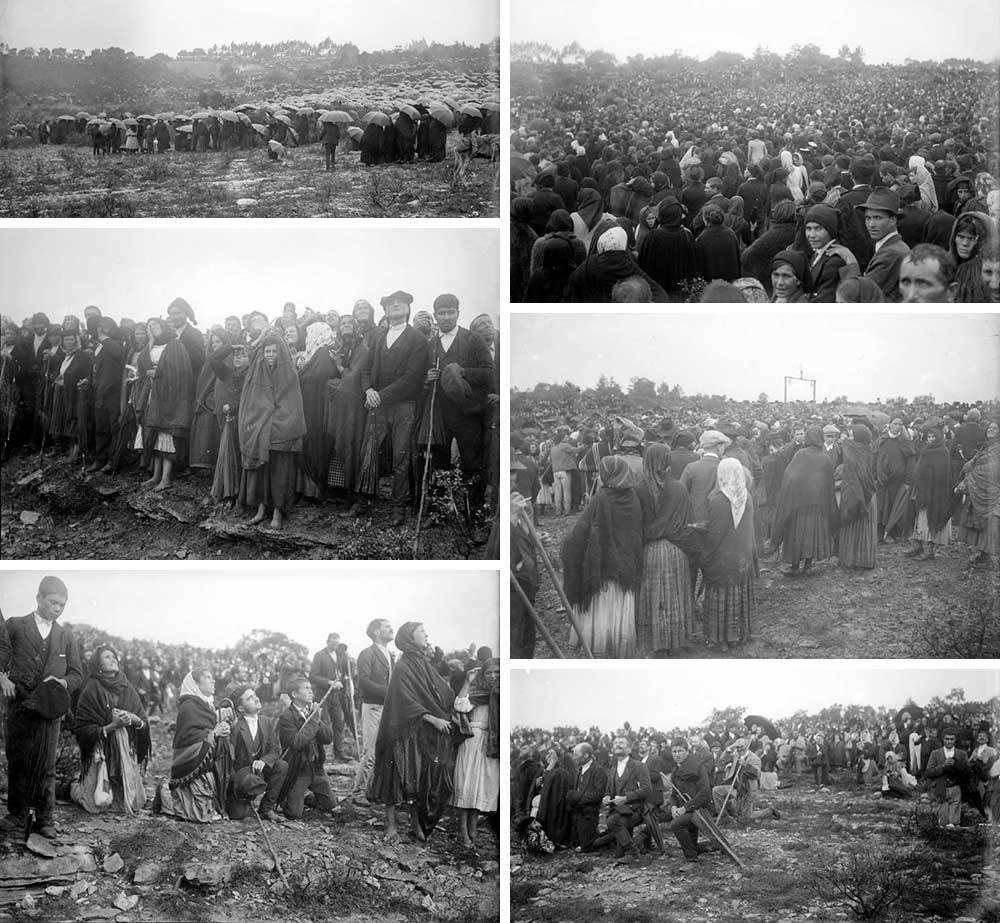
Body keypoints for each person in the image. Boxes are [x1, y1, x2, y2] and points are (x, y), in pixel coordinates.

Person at [0, 576, 84, 838]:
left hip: (50, 707)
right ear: (39, 598)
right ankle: (17, 815)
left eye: (62, 604)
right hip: (19, 704)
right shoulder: (14, 625)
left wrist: (63, 681)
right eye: (53, 602)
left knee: (46, 764)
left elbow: (77, 673)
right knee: (18, 759)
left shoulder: (66, 636)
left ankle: (45, 818)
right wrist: (1, 676)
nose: (57, 609)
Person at [367, 622, 457, 844]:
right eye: (422, 632)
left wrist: (446, 711)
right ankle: (391, 826)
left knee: (417, 777)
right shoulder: (403, 666)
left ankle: (416, 824)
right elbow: (405, 700)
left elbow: (438, 691)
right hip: (400, 731)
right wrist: (432, 717)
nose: (427, 634)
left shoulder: (421, 662)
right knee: (395, 775)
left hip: (418, 731)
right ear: (409, 637)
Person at [351, 291, 429, 525]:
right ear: (384, 311)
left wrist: (379, 396)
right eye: (389, 304)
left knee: (400, 458)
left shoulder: (417, 339)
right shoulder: (377, 336)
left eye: (400, 303)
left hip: (404, 406)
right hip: (376, 404)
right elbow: (365, 368)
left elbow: (412, 378)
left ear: (408, 309)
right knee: (369, 452)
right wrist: (368, 390)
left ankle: (398, 508)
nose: (395, 306)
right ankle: (363, 501)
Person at [561, 456, 644, 657]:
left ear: (608, 475)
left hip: (603, 569)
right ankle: (617, 643)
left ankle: (601, 645)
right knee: (618, 606)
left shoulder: (602, 497)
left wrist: (567, 545)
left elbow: (581, 532)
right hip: (626, 566)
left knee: (602, 609)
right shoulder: (632, 497)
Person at [425, 294, 494, 517]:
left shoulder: (473, 339)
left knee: (471, 464)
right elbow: (420, 379)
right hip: (440, 414)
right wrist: (428, 377)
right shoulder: (430, 345)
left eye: (450, 312)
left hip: (468, 415)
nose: (446, 317)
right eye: (441, 313)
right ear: (435, 316)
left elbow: (490, 374)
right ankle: (441, 513)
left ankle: (474, 515)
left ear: (458, 313)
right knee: (439, 462)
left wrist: (463, 372)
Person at [634, 443, 698, 655]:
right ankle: (675, 640)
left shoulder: (639, 489)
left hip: (650, 552)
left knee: (654, 598)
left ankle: (656, 642)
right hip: (675, 551)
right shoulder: (679, 488)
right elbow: (689, 523)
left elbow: (636, 526)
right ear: (667, 461)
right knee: (675, 597)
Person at [71, 645, 150, 815]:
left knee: (135, 803)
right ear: (97, 665)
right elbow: (82, 729)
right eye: (107, 657)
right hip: (101, 754)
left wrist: (133, 719)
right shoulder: (91, 689)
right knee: (94, 805)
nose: (113, 659)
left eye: (114, 656)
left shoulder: (127, 687)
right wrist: (112, 726)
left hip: (125, 753)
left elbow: (143, 722)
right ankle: (75, 787)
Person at [238, 334, 306, 530]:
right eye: (267, 351)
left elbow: (291, 405)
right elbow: (251, 402)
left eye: (274, 351)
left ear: (281, 353)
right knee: (262, 471)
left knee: (280, 472)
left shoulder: (289, 373)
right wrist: (260, 421)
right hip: (261, 428)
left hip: (281, 428)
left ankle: (277, 512)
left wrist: (273, 422)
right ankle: (261, 509)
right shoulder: (256, 372)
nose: (270, 355)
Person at [155, 669, 230, 823]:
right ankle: (166, 794)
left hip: (204, 766)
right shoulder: (189, 705)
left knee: (208, 806)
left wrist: (222, 726)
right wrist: (214, 733)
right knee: (198, 814)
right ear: (196, 684)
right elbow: (190, 737)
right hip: (190, 763)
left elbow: (205, 725)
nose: (213, 680)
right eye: (208, 677)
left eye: (212, 677)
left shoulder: (204, 704)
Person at [701, 458, 757, 650]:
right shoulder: (746, 497)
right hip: (741, 556)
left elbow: (715, 535)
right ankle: (737, 635)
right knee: (739, 594)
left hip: (722, 559)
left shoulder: (717, 499)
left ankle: (720, 639)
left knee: (722, 596)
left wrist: (705, 556)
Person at [772, 426, 838, 576]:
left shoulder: (800, 455)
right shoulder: (825, 459)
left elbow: (790, 477)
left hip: (799, 505)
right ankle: (808, 566)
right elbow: (828, 484)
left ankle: (795, 566)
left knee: (797, 535)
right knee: (812, 536)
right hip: (818, 505)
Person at [137, 317, 193, 492]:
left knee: (166, 434)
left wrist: (158, 372)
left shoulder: (175, 345)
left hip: (170, 396)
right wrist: (151, 341)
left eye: (155, 325)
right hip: (153, 394)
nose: (152, 328)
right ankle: (156, 475)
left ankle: (166, 478)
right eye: (149, 326)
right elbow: (142, 364)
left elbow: (181, 371)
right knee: (154, 432)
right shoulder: (152, 346)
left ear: (163, 327)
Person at [451, 658, 500, 850]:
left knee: (481, 787)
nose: (493, 676)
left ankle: (473, 831)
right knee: (468, 785)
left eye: (497, 672)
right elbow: (459, 705)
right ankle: (463, 832)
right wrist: (468, 682)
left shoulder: (502, 694)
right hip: (474, 739)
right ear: (483, 674)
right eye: (489, 672)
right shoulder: (478, 692)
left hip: (492, 743)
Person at [224, 685, 287, 820]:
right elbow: (230, 759)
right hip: (242, 778)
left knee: (282, 765)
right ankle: (243, 801)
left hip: (261, 772)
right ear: (241, 708)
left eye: (255, 695)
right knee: (238, 815)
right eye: (250, 698)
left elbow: (275, 750)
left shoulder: (266, 722)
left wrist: (263, 761)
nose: (256, 699)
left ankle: (266, 808)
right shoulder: (236, 726)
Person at [276, 677, 335, 819]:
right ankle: (288, 799)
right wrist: (314, 719)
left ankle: (307, 798)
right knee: (294, 813)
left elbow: (328, 738)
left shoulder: (315, 711)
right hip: (299, 769)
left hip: (316, 767)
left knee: (330, 804)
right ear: (294, 694)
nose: (311, 692)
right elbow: (297, 742)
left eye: (311, 688)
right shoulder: (286, 717)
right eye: (306, 688)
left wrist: (317, 718)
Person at [351, 619, 395, 803]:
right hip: (374, 706)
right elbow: (364, 682)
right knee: (370, 750)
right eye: (387, 627)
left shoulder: (390, 655)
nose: (391, 629)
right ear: (377, 633)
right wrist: (391, 693)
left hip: (387, 707)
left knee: (384, 750)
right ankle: (358, 792)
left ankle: (373, 790)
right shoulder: (367, 654)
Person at [589, 737, 651, 861]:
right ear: (612, 749)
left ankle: (633, 852)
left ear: (629, 749)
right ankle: (632, 846)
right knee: (618, 854)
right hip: (618, 811)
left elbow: (647, 789)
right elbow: (607, 791)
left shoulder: (638, 765)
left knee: (612, 821)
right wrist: (606, 797)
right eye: (616, 743)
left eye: (621, 743)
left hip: (635, 810)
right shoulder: (612, 769)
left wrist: (627, 798)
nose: (618, 745)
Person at [296, 321, 337, 500]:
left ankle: (315, 491)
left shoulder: (322, 355)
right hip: (313, 407)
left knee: (314, 447)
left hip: (316, 409)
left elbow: (313, 379)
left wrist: (299, 374)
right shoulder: (318, 355)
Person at [830, 424, 878, 569]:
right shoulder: (867, 450)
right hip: (863, 492)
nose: (848, 438)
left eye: (851, 435)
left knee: (853, 525)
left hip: (855, 492)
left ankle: (852, 559)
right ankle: (862, 559)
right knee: (861, 527)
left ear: (858, 437)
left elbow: (859, 472)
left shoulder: (853, 450)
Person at [905, 426, 954, 561]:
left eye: (933, 437)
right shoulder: (926, 449)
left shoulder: (943, 452)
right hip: (920, 489)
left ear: (938, 437)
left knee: (929, 518)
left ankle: (929, 550)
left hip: (934, 492)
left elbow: (942, 474)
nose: (930, 439)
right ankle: (918, 545)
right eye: (929, 437)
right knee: (918, 517)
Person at [955, 421, 1000, 565]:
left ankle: (986, 553)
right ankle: (981, 552)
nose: (991, 430)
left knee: (990, 521)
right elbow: (974, 463)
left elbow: (991, 470)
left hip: (990, 490)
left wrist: (972, 473)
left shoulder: (997, 449)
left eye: (995, 428)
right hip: (978, 489)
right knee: (979, 521)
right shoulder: (984, 446)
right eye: (990, 427)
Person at [857, 189, 910, 301]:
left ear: (892, 220)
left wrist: (849, 261)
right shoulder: (893, 246)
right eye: (868, 218)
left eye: (877, 218)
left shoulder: (891, 254)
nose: (871, 224)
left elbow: (862, 294)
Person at [667, 738, 712, 862]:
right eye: (674, 751)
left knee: (676, 824)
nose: (677, 754)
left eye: (680, 751)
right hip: (686, 810)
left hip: (700, 809)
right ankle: (698, 848)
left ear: (687, 751)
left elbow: (704, 792)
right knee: (683, 824)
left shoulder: (698, 767)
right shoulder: (675, 771)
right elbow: (673, 794)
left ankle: (691, 858)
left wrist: (685, 808)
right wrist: (674, 807)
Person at [308, 634, 351, 764]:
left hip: (336, 696)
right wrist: (329, 682)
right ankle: (322, 755)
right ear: (327, 642)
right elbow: (313, 676)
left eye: (337, 643)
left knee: (339, 723)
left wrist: (346, 681)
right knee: (324, 725)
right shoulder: (320, 655)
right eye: (333, 642)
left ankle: (339, 753)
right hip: (323, 695)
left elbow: (345, 673)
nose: (335, 645)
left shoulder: (342, 656)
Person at [803, 204, 860, 301]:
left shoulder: (834, 260)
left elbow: (824, 300)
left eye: (818, 228)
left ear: (830, 230)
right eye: (808, 228)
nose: (811, 235)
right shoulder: (819, 252)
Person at [565, 742, 607, 851]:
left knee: (586, 847)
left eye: (575, 754)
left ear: (586, 755)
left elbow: (598, 794)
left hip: (589, 813)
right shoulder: (578, 769)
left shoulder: (598, 770)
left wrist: (577, 798)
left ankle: (610, 837)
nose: (573, 757)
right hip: (577, 812)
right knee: (574, 843)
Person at [924, 729, 970, 828]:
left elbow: (968, 773)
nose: (949, 741)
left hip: (955, 789)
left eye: (952, 739)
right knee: (942, 823)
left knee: (953, 823)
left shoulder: (962, 754)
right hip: (940, 790)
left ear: (955, 740)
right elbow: (928, 772)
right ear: (943, 739)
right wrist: (943, 766)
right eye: (947, 739)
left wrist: (956, 765)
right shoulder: (935, 753)